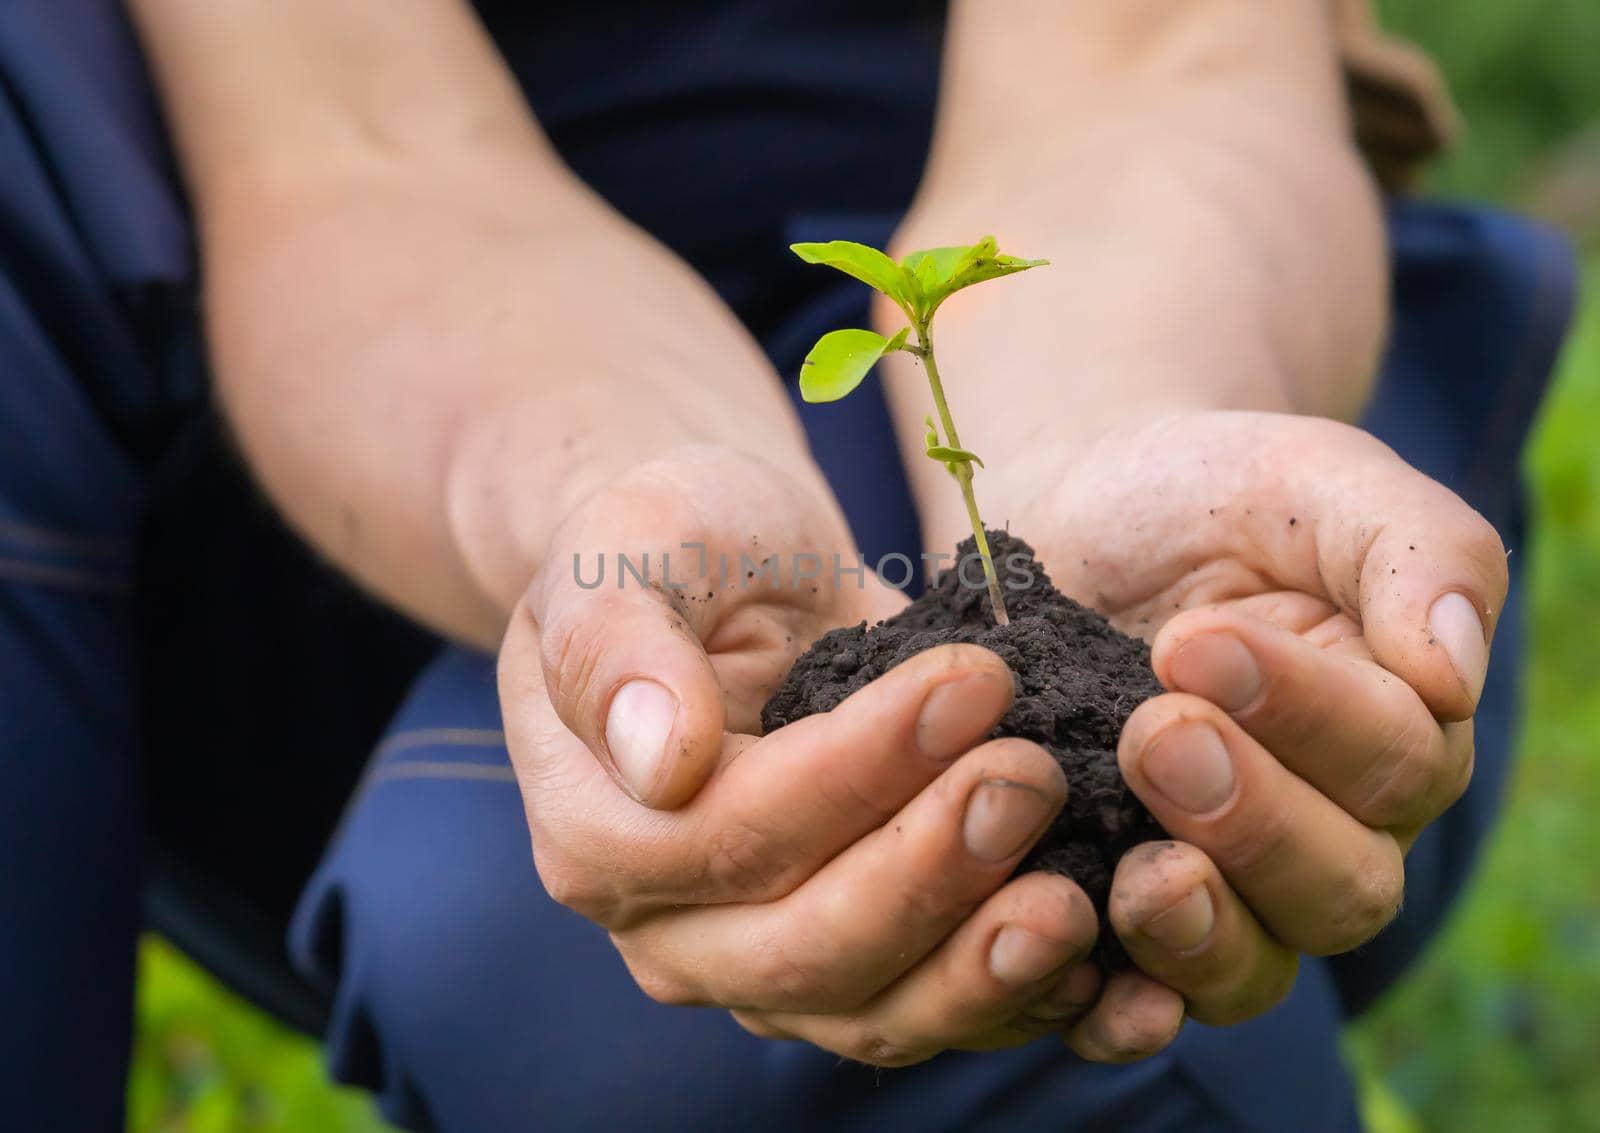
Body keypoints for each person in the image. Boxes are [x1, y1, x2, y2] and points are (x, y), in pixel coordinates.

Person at [0, 1, 1575, 1131]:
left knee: (816, 963)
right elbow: (366, 153)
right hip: (455, 412)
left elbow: (1154, 55)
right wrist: (613, 514)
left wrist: (1124, 421)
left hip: (1170, 287)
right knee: (609, 947)